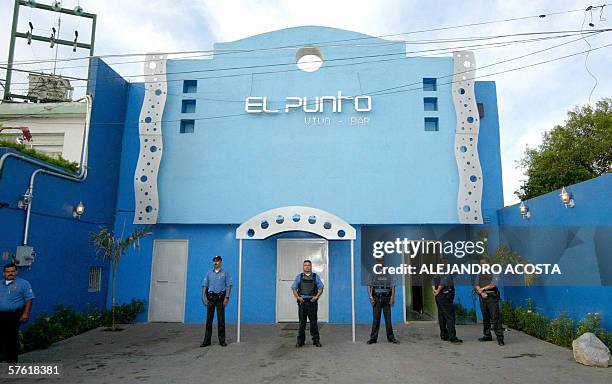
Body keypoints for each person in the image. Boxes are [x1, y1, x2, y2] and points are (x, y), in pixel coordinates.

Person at [0, 263, 35, 363]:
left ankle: (12, 361)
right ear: (4, 273)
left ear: (16, 272)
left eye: (12, 271)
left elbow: (29, 299)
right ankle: (4, 357)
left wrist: (26, 313)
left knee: (11, 337)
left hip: (14, 314)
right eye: (8, 272)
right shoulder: (0, 284)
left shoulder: (23, 283)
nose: (10, 273)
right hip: (1, 315)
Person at [200, 256, 232, 347]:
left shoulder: (225, 273)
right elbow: (205, 285)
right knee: (209, 320)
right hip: (210, 298)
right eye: (214, 261)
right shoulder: (209, 273)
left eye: (217, 261)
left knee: (221, 320)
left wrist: (227, 297)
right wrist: (203, 297)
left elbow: (229, 286)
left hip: (220, 298)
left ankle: (222, 341)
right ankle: (207, 341)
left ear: (221, 262)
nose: (215, 263)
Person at [291, 260, 324, 348]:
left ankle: (316, 340)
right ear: (303, 267)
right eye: (305, 265)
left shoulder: (315, 276)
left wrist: (316, 297)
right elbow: (294, 288)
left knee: (313, 322)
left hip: (312, 302)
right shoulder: (299, 277)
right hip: (302, 302)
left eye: (308, 265)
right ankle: (300, 341)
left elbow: (321, 288)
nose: (307, 267)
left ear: (311, 266)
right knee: (302, 322)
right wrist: (298, 297)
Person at [367, 258, 399, 344]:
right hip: (376, 299)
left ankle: (391, 338)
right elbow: (369, 285)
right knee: (376, 320)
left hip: (386, 299)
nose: (380, 262)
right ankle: (373, 338)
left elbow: (393, 285)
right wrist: (370, 296)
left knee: (388, 320)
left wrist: (392, 297)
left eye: (382, 261)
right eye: (378, 261)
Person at [432, 258, 462, 344]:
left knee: (441, 315)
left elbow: (433, 282)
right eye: (446, 263)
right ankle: (452, 337)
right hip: (445, 296)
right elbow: (443, 282)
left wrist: (435, 291)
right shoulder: (445, 271)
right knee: (450, 316)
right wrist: (438, 291)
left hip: (439, 297)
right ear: (445, 263)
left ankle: (444, 335)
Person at [475, 257, 504, 346]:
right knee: (485, 317)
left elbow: (493, 284)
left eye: (483, 263)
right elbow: (476, 284)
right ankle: (487, 335)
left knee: (495, 317)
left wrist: (482, 289)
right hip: (482, 297)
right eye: (481, 263)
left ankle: (500, 338)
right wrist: (480, 291)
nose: (482, 265)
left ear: (488, 263)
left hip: (492, 297)